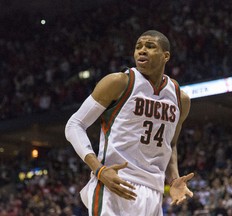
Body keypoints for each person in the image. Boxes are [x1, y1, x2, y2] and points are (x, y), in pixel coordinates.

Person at [65, 30, 194, 216]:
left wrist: (173, 179)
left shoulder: (180, 98)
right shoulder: (119, 82)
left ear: (166, 56)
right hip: (115, 182)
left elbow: (170, 144)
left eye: (150, 46)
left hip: (153, 192)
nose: (142, 51)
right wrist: (98, 169)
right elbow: (74, 124)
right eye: (138, 47)